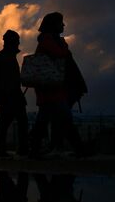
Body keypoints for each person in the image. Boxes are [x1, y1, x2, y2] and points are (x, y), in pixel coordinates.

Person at [29, 13, 88, 158]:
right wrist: (64, 45)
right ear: (53, 25)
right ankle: (79, 149)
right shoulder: (48, 40)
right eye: (60, 23)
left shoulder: (49, 40)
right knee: (64, 119)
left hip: (51, 88)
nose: (63, 25)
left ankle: (34, 149)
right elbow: (60, 54)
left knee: (45, 120)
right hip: (51, 88)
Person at [0, 30, 29, 157]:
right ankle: (18, 149)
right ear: (12, 42)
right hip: (10, 96)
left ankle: (4, 150)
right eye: (17, 41)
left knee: (7, 123)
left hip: (7, 96)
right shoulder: (5, 57)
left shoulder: (2, 56)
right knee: (18, 123)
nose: (18, 43)